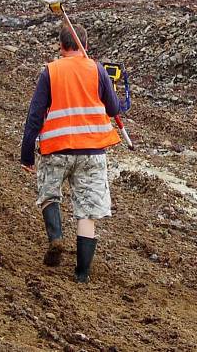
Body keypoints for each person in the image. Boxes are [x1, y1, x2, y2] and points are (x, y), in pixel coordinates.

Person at [21, 23, 121, 283]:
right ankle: (82, 273)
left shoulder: (50, 72)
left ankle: (56, 239)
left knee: (49, 194)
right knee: (87, 211)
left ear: (60, 46)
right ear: (85, 46)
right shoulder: (97, 69)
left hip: (57, 149)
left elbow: (34, 116)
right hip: (91, 152)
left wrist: (26, 154)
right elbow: (113, 108)